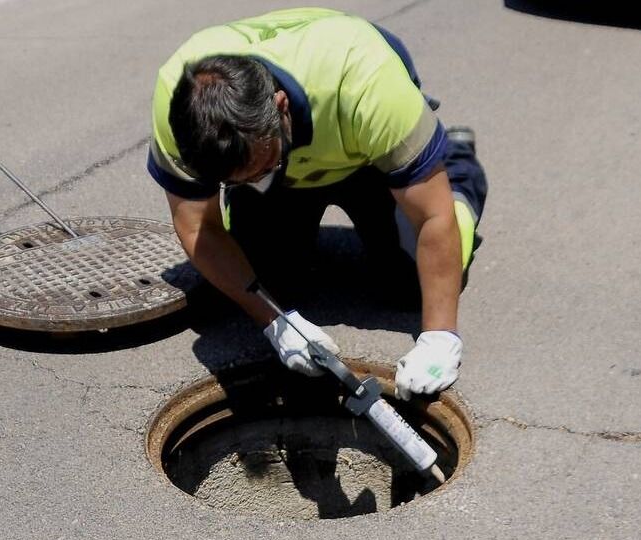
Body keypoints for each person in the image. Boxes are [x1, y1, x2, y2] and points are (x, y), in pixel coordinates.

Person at [148, 8, 487, 398]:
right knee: (268, 286)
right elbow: (197, 227)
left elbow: (432, 217)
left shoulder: (367, 85)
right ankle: (280, 209)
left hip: (364, 153)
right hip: (287, 168)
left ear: (280, 108)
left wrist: (440, 336)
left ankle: (455, 165)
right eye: (231, 181)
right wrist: (275, 322)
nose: (251, 182)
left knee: (413, 285)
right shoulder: (179, 109)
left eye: (260, 167)